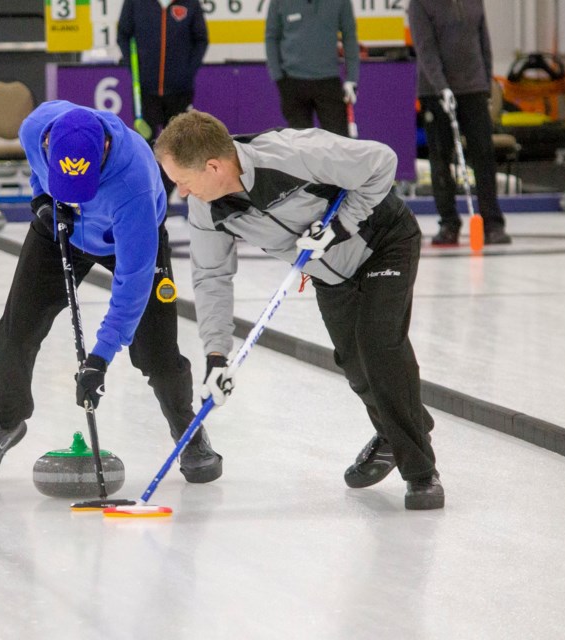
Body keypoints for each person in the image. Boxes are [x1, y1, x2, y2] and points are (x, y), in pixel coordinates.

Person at [155, 110, 444, 510]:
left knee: (380, 346)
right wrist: (216, 356)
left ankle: (421, 472)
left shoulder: (292, 153)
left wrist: (340, 226)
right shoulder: (208, 210)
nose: (182, 193)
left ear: (213, 166)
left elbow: (382, 161)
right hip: (329, 273)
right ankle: (399, 429)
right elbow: (211, 277)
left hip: (382, 241)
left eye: (183, 182)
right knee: (356, 368)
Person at [0, 100, 222, 485]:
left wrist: (100, 357)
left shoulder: (135, 183)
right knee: (17, 328)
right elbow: (36, 173)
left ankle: (187, 429)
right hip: (60, 227)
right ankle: (3, 421)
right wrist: (43, 201)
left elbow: (132, 282)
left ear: (105, 153)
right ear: (48, 144)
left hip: (123, 240)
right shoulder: (35, 129)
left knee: (156, 351)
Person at [408, 0, 511, 246]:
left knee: (483, 155)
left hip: (473, 88)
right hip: (435, 92)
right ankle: (448, 223)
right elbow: (426, 49)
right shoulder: (420, 4)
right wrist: (441, 86)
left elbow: (483, 42)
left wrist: (486, 84)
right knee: (441, 157)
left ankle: (492, 223)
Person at [117, 0, 209, 198]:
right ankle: (146, 193)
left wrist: (188, 71)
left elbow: (201, 39)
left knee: (178, 145)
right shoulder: (135, 3)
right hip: (145, 90)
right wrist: (133, 68)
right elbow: (123, 35)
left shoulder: (190, 3)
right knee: (145, 144)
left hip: (179, 90)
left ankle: (166, 194)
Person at [264, 0, 359, 135]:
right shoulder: (279, 2)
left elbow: (349, 36)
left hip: (329, 81)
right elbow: (271, 37)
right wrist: (278, 77)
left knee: (338, 143)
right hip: (292, 82)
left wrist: (352, 78)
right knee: (299, 145)